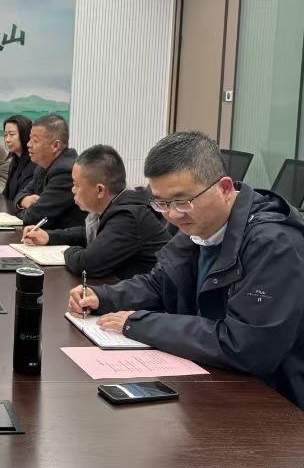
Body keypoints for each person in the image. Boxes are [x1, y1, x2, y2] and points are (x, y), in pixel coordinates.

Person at [68, 131, 304, 409]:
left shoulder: (274, 244)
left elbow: (246, 346)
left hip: (273, 402)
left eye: (181, 201)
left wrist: (139, 323)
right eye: (161, 203)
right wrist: (104, 296)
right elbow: (160, 284)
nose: (172, 215)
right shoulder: (199, 223)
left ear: (225, 189)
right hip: (211, 381)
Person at [24, 145, 170, 279]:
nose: (73, 190)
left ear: (100, 190)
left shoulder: (128, 216)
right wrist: (49, 236)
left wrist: (66, 251)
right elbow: (86, 234)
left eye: (76, 185)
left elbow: (86, 265)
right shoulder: (117, 204)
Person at [15, 114, 87, 228]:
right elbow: (21, 193)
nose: (29, 144)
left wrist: (20, 211)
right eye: (30, 139)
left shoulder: (65, 172)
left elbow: (35, 217)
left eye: (35, 141)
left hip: (63, 237)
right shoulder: (42, 165)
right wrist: (23, 200)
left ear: (56, 145)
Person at [1, 115, 37, 202]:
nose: (7, 140)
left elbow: (23, 196)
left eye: (12, 134)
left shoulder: (34, 163)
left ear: (25, 135)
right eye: (5, 135)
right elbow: (6, 194)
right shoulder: (15, 161)